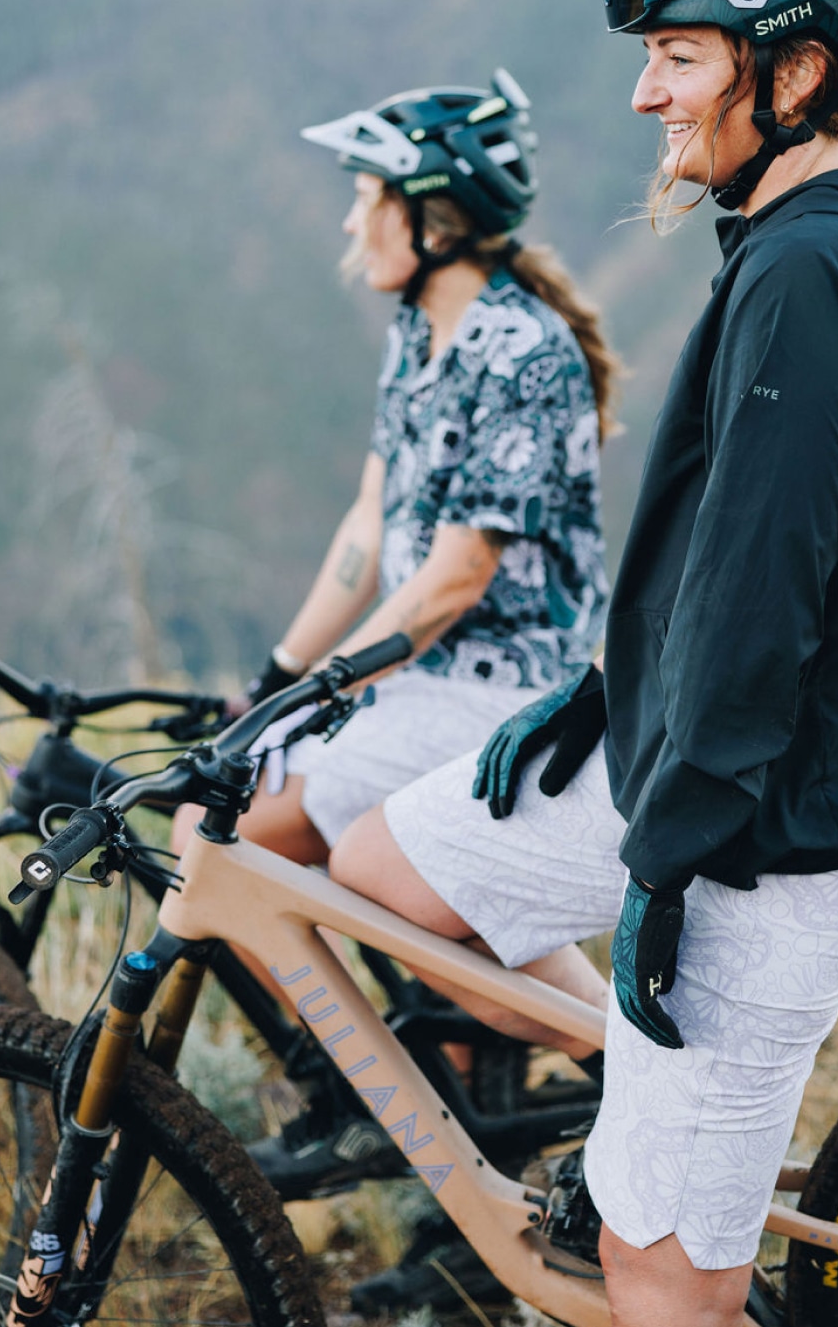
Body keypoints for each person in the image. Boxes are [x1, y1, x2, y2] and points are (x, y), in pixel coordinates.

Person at [331, 0, 838, 1326]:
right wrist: (609, 689)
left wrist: (665, 871)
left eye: (682, 55)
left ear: (798, 69)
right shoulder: (807, 228)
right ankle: (664, 1115)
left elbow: (768, 598)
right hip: (710, 762)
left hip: (774, 835)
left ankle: (682, 1169)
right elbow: (739, 557)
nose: (645, 92)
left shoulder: (817, 268)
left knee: (662, 1283)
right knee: (390, 865)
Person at [194, 69, 617, 1197]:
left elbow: (456, 573)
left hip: (506, 685)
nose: (348, 218)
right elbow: (371, 522)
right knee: (235, 826)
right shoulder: (415, 335)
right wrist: (278, 674)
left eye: (366, 193)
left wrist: (324, 686)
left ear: (432, 214)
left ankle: (594, 1078)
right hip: (415, 679)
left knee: (230, 839)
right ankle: (402, 1105)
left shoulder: (520, 351)